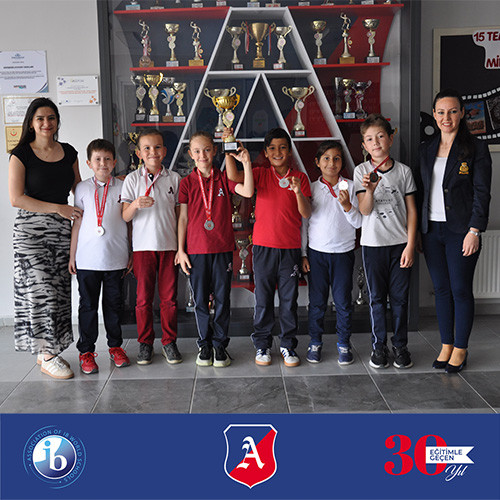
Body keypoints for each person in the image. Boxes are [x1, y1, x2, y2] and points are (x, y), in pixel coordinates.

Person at [416, 89, 492, 373]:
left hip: (462, 231)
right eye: (440, 112)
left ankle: (461, 348)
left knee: (460, 289)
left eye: (452, 111)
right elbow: (421, 191)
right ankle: (446, 344)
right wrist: (419, 230)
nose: (446, 117)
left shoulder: (476, 148)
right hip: (431, 231)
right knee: (441, 290)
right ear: (434, 115)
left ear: (461, 113)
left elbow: (482, 193)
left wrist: (475, 230)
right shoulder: (426, 148)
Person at [8, 97, 82, 379]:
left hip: (62, 232)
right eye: (40, 118)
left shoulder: (69, 152)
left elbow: (79, 189)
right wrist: (58, 208)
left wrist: (109, 183)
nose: (46, 123)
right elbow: (17, 198)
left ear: (57, 121)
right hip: (30, 233)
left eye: (51, 118)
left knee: (59, 292)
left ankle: (45, 351)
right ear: (31, 123)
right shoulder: (20, 154)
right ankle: (49, 356)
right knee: (42, 292)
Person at [225, 127, 311, 367]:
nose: (278, 152)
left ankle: (287, 345)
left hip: (290, 249)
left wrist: (297, 192)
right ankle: (262, 344)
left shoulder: (300, 178)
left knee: (289, 300)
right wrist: (229, 150)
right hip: (263, 248)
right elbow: (234, 176)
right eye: (272, 148)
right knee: (263, 299)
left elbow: (306, 213)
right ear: (265, 152)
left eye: (283, 147)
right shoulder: (260, 173)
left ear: (290, 151)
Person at [176, 132, 254, 367]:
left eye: (207, 149)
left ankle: (220, 345)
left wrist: (246, 163)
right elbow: (183, 218)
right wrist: (181, 250)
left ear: (215, 151)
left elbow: (248, 192)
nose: (202, 155)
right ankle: (204, 346)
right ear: (190, 154)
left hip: (222, 250)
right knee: (200, 301)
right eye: (197, 151)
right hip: (196, 251)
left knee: (222, 299)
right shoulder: (186, 183)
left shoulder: (223, 179)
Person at [354, 114, 417, 369]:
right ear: (364, 145)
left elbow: (412, 210)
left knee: (400, 299)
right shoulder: (361, 171)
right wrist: (369, 190)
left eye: (381, 136)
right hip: (373, 246)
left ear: (391, 138)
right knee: (377, 299)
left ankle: (400, 345)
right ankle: (378, 346)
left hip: (400, 245)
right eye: (370, 139)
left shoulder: (403, 172)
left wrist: (410, 245)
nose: (376, 142)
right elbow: (364, 210)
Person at [69, 139, 132, 374]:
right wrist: (72, 256)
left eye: (107, 159)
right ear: (89, 163)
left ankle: (115, 347)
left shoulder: (123, 187)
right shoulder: (82, 189)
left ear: (114, 162)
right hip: (87, 260)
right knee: (88, 306)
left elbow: (129, 223)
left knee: (114, 305)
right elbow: (77, 224)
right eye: (97, 159)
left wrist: (131, 252)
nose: (103, 163)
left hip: (116, 258)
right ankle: (86, 351)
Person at [121, 129, 182, 365]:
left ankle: (169, 342)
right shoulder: (132, 179)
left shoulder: (174, 178)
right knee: (143, 300)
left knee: (169, 299)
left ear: (164, 151)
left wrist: (181, 247)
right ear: (138, 153)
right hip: (142, 248)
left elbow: (180, 215)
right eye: (146, 148)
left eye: (157, 147)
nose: (152, 152)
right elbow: (125, 216)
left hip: (169, 247)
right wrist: (135, 204)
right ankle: (145, 343)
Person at [301, 140, 362, 364]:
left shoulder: (351, 186)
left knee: (343, 302)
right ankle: (315, 341)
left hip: (343, 253)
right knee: (317, 302)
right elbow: (304, 223)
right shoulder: (311, 188)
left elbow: (358, 222)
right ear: (317, 162)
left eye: (336, 158)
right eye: (326, 158)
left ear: (342, 163)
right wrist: (303, 253)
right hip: (317, 254)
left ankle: (344, 343)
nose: (331, 163)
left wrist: (347, 206)